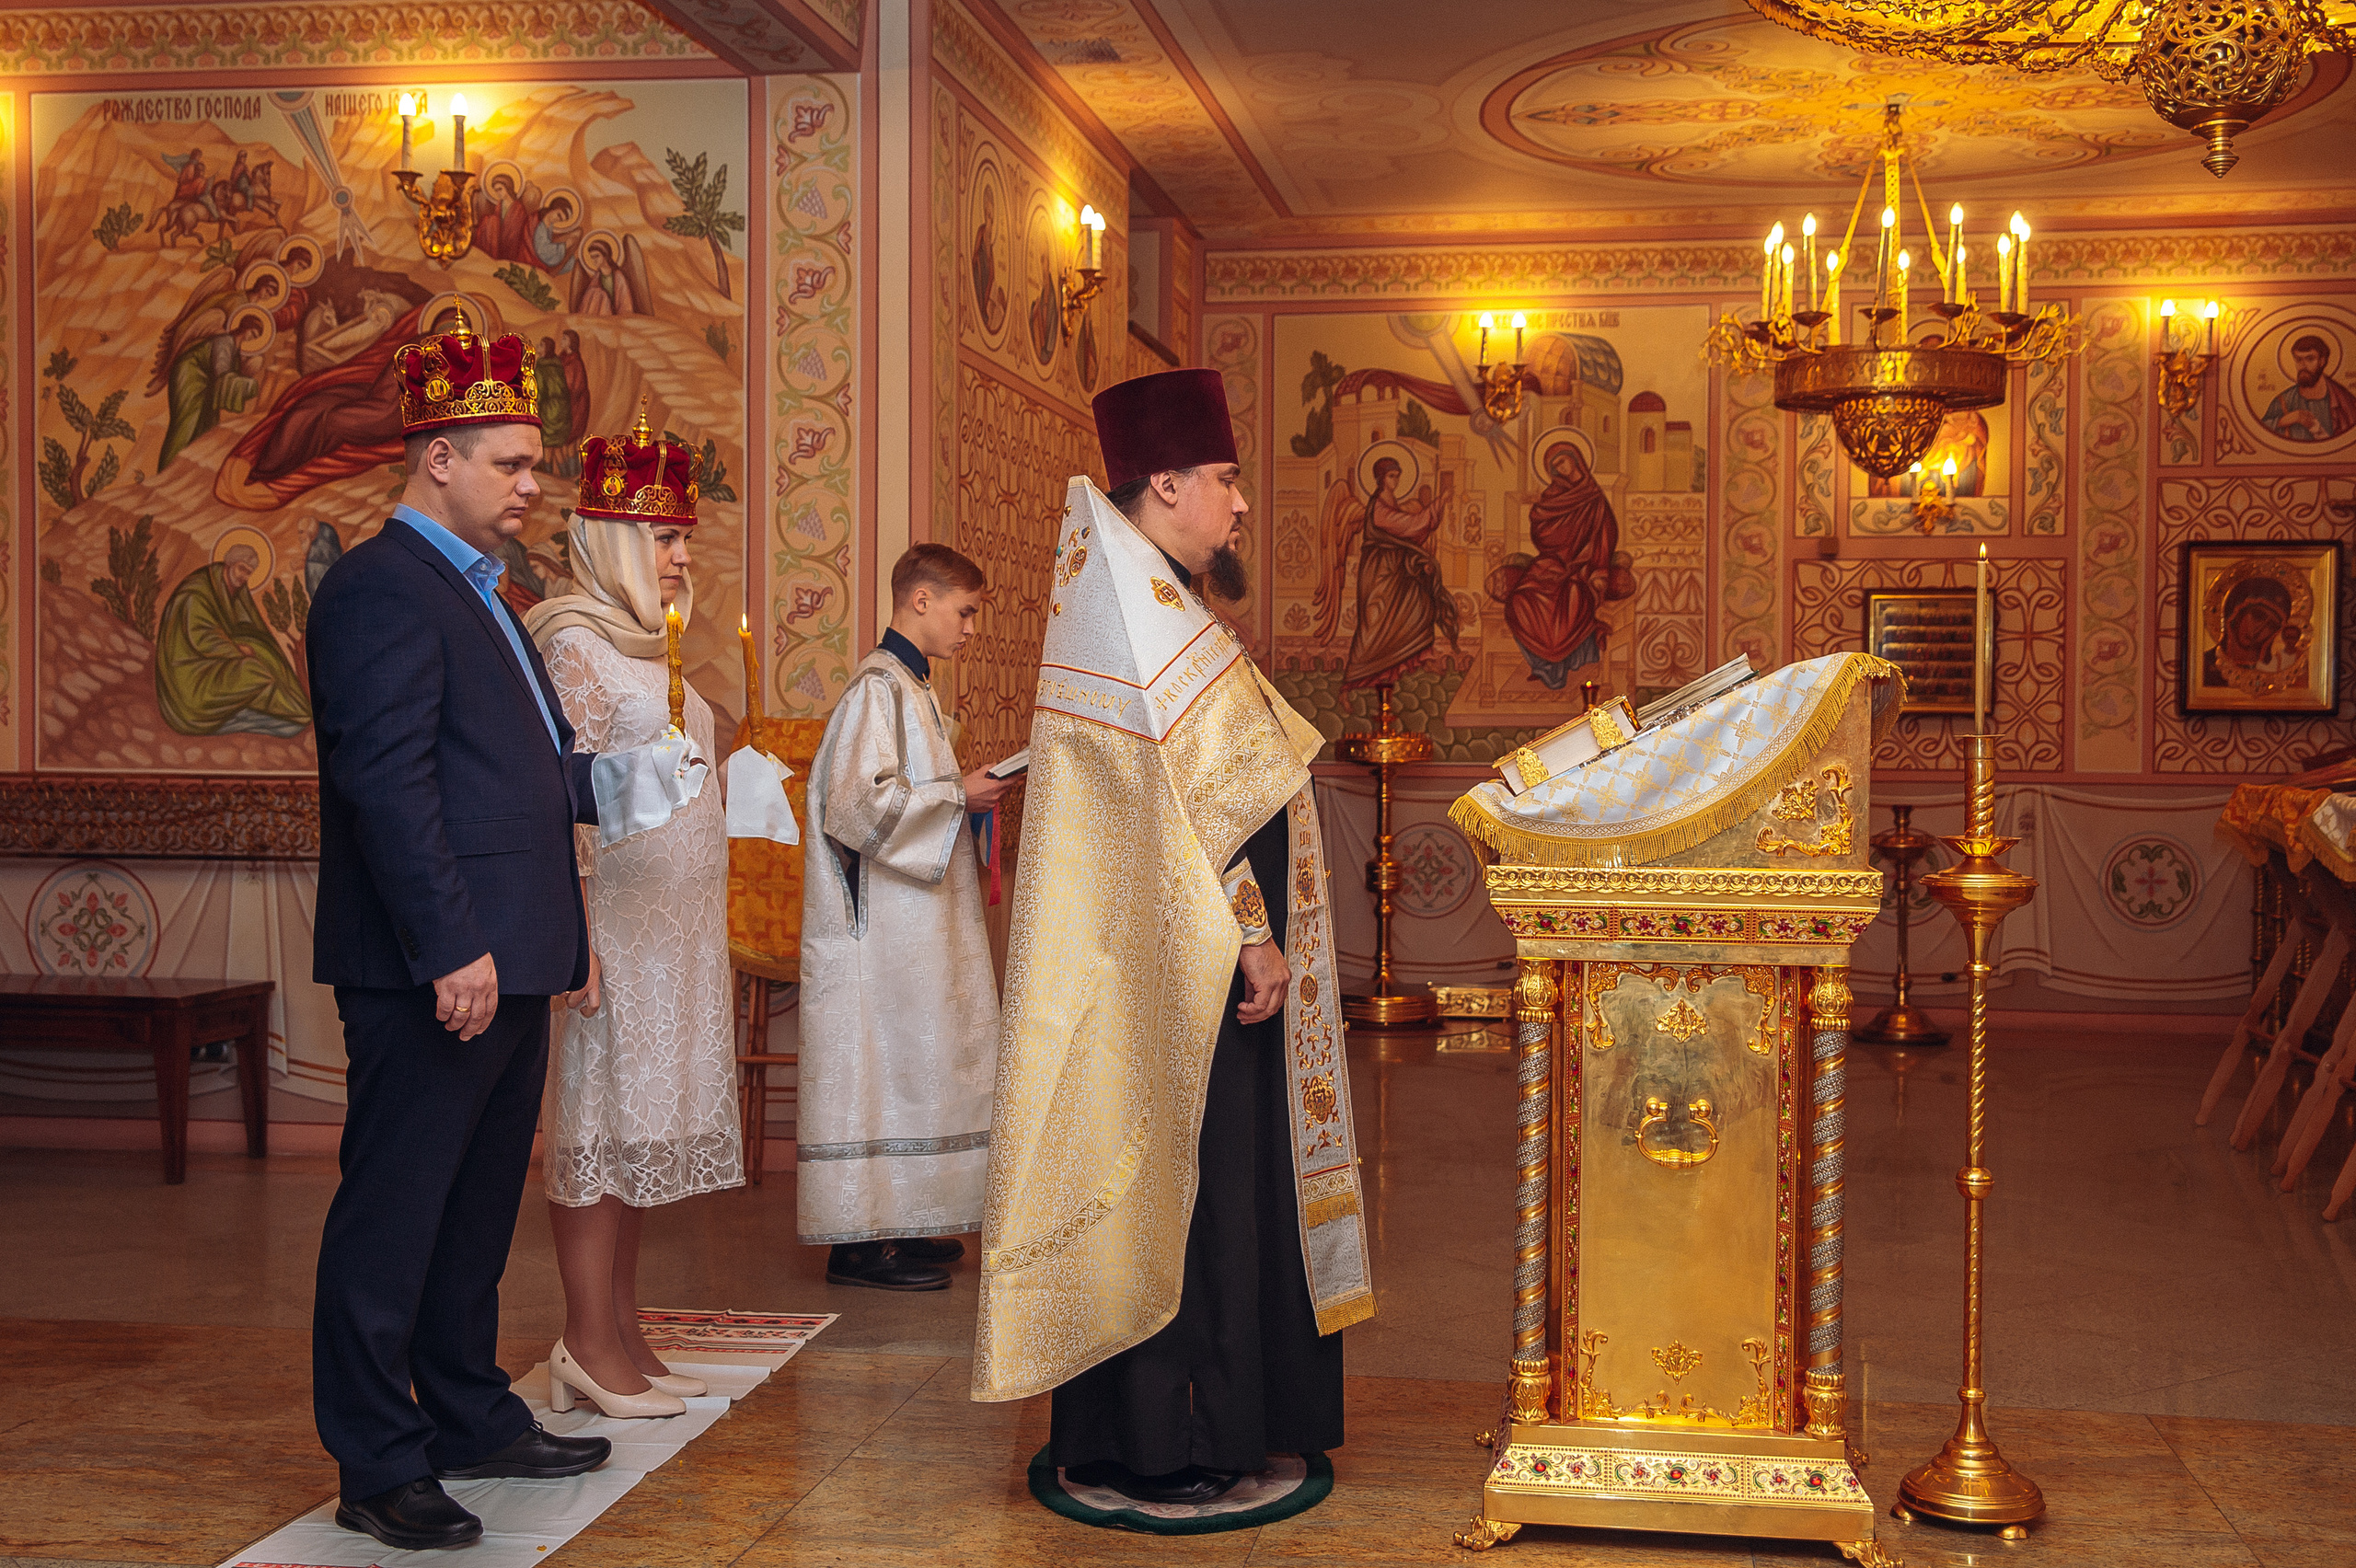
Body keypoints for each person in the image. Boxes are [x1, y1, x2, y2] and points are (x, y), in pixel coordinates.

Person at [974, 368, 1374, 1505]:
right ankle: (1179, 1435)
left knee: (1201, 1187)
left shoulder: (1142, 593)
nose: (1241, 505)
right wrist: (1251, 935)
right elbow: (1195, 804)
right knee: (1184, 1197)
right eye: (1226, 481)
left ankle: (1206, 1419)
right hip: (1186, 972)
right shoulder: (1133, 608)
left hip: (1182, 964)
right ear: (1164, 483)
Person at [306, 314, 610, 1552]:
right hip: (441, 962)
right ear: (439, 458)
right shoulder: (383, 586)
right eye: (513, 465)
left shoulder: (487, 591)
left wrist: (627, 784)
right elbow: (390, 782)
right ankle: (379, 1461)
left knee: (477, 1208)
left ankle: (469, 1413)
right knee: (395, 1211)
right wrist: (449, 946)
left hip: (511, 947)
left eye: (534, 467)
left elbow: (514, 769)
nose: (534, 488)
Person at [525, 410, 744, 1414]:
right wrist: (573, 933)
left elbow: (667, 778)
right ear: (613, 539)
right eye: (663, 537)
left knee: (639, 1139)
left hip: (676, 933)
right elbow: (557, 791)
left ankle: (624, 1332)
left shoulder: (652, 646)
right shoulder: (573, 641)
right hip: (613, 928)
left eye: (682, 537)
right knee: (596, 1136)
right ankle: (583, 1343)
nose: (681, 555)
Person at [798, 543, 1010, 1290]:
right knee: (884, 1066)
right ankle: (860, 1244)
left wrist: (962, 793)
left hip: (915, 923)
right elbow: (854, 807)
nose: (971, 629)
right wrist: (961, 795)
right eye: (964, 611)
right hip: (880, 933)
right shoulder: (877, 689)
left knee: (920, 1063)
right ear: (920, 600)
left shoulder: (911, 688)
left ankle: (906, 1219)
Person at [1488, 436, 1634, 688]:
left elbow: (1605, 538)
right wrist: (1547, 524)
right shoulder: (1552, 495)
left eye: (1564, 462)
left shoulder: (1595, 499)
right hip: (1551, 562)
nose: (1562, 469)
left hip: (1584, 567)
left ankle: (1566, 663)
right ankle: (1544, 665)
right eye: (1556, 466)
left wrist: (1595, 571)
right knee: (1522, 599)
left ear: (1576, 460)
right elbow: (1542, 535)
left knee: (1573, 597)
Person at [153, 543, 310, 736]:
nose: (244, 577)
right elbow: (202, 638)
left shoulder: (233, 589)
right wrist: (238, 650)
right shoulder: (196, 593)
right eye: (242, 568)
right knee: (255, 673)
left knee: (265, 654)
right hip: (191, 673)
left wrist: (258, 648)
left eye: (249, 573)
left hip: (216, 659)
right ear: (229, 563)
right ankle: (288, 717)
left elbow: (247, 625)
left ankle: (296, 712)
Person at [2260, 333, 2356, 441]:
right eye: (2298, 360)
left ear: (2322, 361)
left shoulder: (2343, 401)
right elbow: (2260, 430)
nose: (2303, 365)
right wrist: (2285, 420)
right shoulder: (2283, 400)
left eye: (2310, 359)